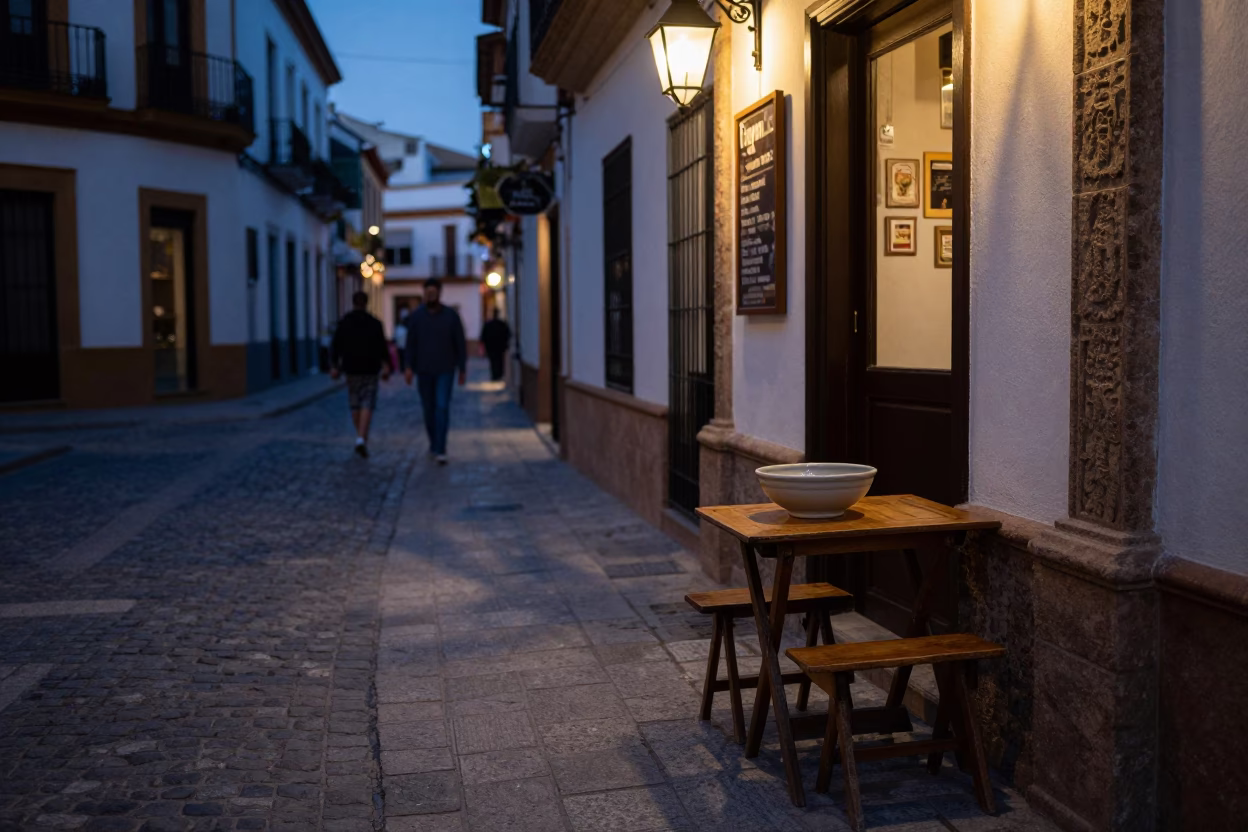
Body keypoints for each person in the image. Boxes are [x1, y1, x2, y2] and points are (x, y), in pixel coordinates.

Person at [403, 278, 466, 465]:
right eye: (428, 292)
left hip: (446, 369)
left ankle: (441, 448)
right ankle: (434, 443)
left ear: (439, 293)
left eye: (434, 292)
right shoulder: (416, 317)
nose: (431, 295)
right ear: (424, 293)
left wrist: (462, 368)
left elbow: (460, 343)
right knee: (428, 409)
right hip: (423, 370)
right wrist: (408, 367)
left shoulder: (451, 316)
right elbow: (410, 344)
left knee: (442, 406)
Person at [329, 291, 393, 458]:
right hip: (370, 368)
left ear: (353, 303)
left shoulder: (344, 322)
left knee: (355, 402)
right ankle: (361, 438)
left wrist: (335, 366)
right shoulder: (375, 323)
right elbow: (382, 347)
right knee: (367, 403)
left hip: (351, 369)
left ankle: (360, 437)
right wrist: (387, 366)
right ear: (366, 303)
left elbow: (336, 346)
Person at [479, 309, 512, 382]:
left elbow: (483, 336)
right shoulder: (501, 324)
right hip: (498, 347)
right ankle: (497, 375)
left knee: (494, 361)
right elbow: (508, 334)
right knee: (498, 361)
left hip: (492, 347)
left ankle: (495, 375)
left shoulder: (490, 324)